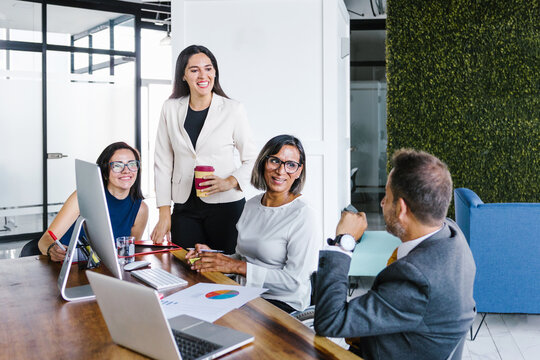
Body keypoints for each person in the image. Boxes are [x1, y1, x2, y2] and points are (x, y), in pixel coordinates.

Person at [314, 149, 476, 360]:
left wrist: (344, 242)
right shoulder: (452, 235)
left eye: (386, 196)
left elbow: (329, 321)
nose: (382, 202)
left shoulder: (416, 277)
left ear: (401, 208)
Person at [186, 135, 320, 313]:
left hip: (282, 303)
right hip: (245, 294)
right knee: (190, 307)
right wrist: (213, 257)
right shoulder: (251, 205)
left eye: (290, 165)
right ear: (263, 163)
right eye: (275, 161)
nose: (281, 171)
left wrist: (236, 267)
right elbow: (243, 258)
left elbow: (293, 282)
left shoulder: (304, 214)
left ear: (298, 171)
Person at [151, 45, 257, 253]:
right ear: (183, 75)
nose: (203, 75)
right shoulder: (170, 108)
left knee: (225, 270)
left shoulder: (233, 109)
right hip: (184, 206)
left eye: (208, 68)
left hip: (226, 207)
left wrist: (230, 181)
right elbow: (162, 162)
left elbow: (253, 159)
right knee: (186, 267)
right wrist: (164, 212)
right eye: (194, 70)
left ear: (215, 72)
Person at [38, 142, 149, 262]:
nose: (126, 171)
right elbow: (45, 240)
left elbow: (127, 253)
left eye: (132, 164)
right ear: (105, 173)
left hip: (104, 271)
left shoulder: (140, 209)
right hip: (68, 267)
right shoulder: (82, 197)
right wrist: (51, 249)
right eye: (117, 165)